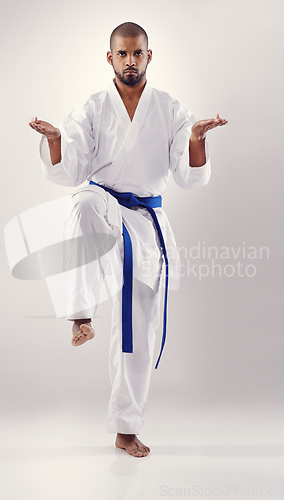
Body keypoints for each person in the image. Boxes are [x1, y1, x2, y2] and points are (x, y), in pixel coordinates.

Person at [29, 21, 228, 458]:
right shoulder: (94, 107)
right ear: (110, 57)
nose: (131, 61)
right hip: (104, 205)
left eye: (138, 53)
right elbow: (72, 169)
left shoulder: (171, 110)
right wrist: (59, 141)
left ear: (149, 56)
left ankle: (125, 428)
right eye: (122, 54)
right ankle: (81, 315)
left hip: (145, 221)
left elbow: (187, 176)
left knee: (137, 328)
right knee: (80, 205)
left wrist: (195, 140)